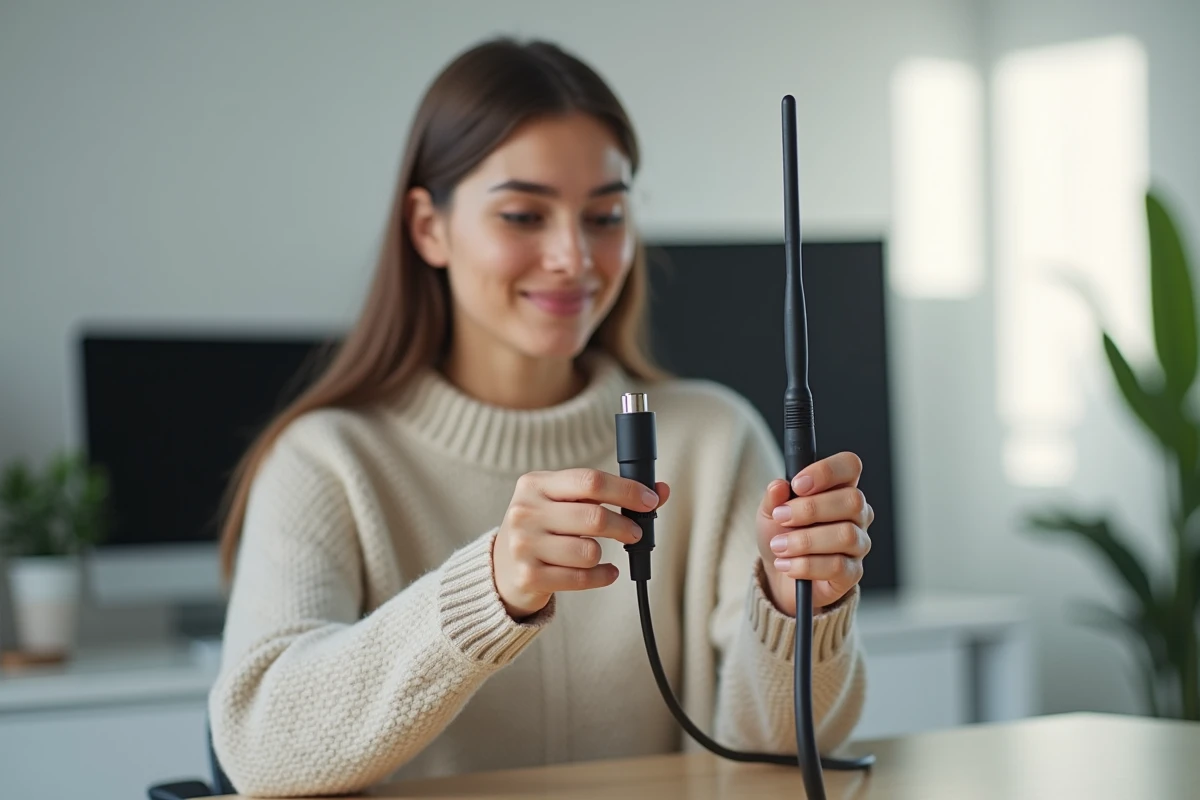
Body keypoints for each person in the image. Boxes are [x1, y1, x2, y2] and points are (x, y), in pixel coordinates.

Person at [208, 37, 874, 797]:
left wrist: (797, 609)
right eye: (524, 215)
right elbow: (259, 747)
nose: (574, 258)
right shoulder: (325, 459)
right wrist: (483, 590)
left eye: (605, 216)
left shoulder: (713, 439)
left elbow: (784, 761)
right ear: (428, 228)